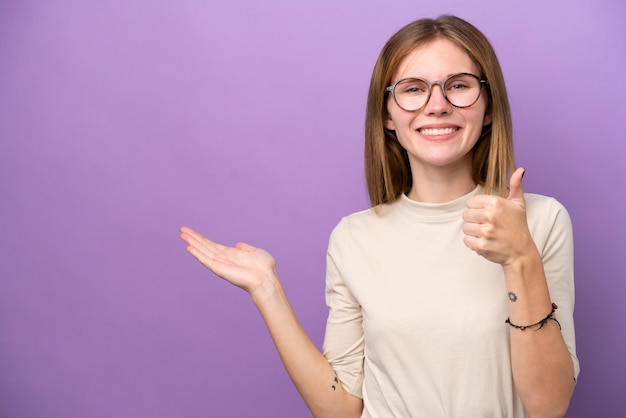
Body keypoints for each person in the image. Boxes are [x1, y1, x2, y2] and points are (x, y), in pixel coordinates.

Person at [180, 15, 579, 418]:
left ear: (488, 106)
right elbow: (341, 408)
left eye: (458, 85)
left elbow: (549, 406)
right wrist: (267, 290)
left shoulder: (541, 220)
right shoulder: (353, 237)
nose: (436, 105)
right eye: (412, 89)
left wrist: (520, 258)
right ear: (387, 115)